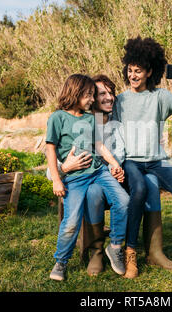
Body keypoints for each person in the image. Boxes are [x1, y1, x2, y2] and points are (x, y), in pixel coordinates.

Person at [50, 74, 172, 277]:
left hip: (110, 177)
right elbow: (52, 168)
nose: (109, 97)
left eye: (111, 93)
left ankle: (152, 251)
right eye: (101, 93)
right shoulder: (69, 121)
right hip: (81, 179)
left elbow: (125, 153)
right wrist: (65, 168)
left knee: (151, 182)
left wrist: (147, 146)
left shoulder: (117, 126)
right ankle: (96, 252)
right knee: (94, 192)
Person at [113, 36, 172, 278]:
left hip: (157, 160)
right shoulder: (121, 100)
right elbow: (113, 129)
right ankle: (131, 254)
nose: (133, 75)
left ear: (149, 72)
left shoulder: (160, 96)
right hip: (132, 161)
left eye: (138, 71)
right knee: (139, 192)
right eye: (130, 70)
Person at [46, 74, 129, 281]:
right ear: (75, 92)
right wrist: (57, 179)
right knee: (71, 220)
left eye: (93, 95)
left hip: (98, 172)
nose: (92, 100)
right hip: (74, 179)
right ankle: (61, 262)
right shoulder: (57, 118)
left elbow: (99, 146)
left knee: (123, 200)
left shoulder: (90, 118)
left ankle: (116, 246)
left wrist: (114, 163)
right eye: (89, 95)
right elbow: (50, 150)